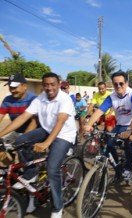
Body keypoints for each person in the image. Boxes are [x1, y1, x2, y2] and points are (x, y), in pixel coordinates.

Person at [0, 72, 76, 218]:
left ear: (59, 84)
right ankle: (31, 173)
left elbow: (60, 122)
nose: (49, 88)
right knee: (20, 141)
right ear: (43, 86)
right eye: (46, 85)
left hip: (64, 135)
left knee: (52, 169)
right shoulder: (40, 99)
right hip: (46, 130)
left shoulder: (65, 99)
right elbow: (23, 117)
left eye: (52, 84)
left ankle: (57, 207)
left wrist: (47, 143)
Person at [85, 70, 132, 179]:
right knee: (108, 147)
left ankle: (128, 168)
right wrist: (88, 124)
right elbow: (100, 111)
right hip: (120, 125)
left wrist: (130, 130)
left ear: (126, 83)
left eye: (121, 83)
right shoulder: (112, 97)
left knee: (129, 142)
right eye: (115, 84)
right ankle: (118, 169)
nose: (118, 86)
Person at [0, 73, 38, 145]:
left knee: (19, 152)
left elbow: (34, 122)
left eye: (15, 87)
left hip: (32, 133)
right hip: (16, 132)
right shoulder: (7, 100)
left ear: (25, 86)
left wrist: (22, 139)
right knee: (2, 149)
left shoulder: (33, 100)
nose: (12, 91)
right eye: (10, 87)